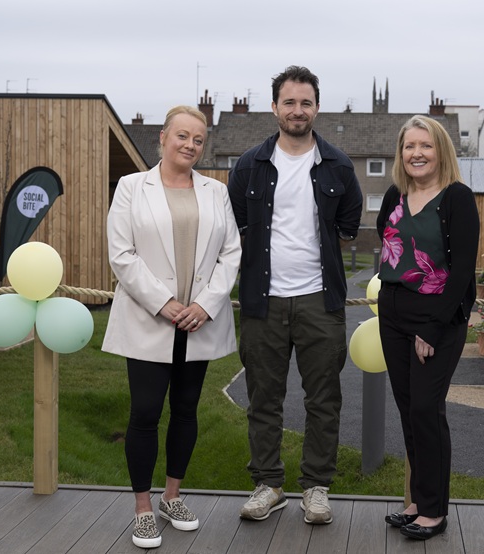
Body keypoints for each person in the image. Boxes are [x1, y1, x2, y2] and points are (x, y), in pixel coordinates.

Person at [228, 65, 363, 525]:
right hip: (261, 301)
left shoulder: (339, 166)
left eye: (306, 102)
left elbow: (347, 227)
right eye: (289, 102)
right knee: (263, 397)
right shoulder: (249, 165)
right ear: (274, 107)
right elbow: (238, 227)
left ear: (317, 108)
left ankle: (316, 489)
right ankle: (268, 485)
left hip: (318, 300)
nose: (298, 110)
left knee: (322, 399)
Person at [102, 105, 241, 549]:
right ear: (162, 137)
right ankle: (142, 509)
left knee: (186, 410)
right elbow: (122, 255)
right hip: (149, 319)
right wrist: (165, 305)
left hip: (197, 321)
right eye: (182, 136)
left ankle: (172, 497)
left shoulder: (216, 192)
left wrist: (203, 304)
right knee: (144, 413)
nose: (190, 145)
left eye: (198, 140)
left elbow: (231, 254)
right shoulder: (130, 187)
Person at [376, 115, 479, 540]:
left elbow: (462, 275)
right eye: (409, 146)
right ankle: (419, 500)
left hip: (437, 317)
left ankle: (435, 511)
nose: (416, 153)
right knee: (408, 411)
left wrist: (433, 328)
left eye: (426, 146)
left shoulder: (458, 197)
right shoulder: (393, 194)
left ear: (441, 151)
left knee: (425, 410)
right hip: (393, 312)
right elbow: (387, 250)